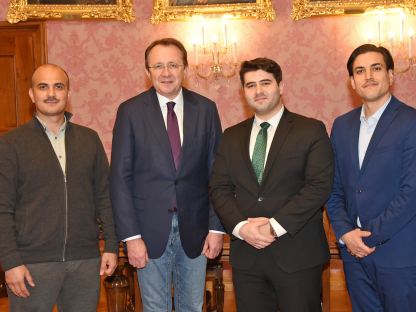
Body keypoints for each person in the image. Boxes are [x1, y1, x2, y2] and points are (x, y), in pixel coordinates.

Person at [210, 57, 334, 312]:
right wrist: (241, 227)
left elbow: (318, 186)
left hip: (297, 254)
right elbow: (219, 188)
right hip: (247, 256)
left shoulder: (310, 130)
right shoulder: (231, 136)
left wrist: (274, 227)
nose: (258, 90)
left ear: (281, 86)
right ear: (243, 92)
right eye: (250, 85)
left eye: (265, 83)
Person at [110, 37, 224, 312]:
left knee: (192, 306)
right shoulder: (130, 111)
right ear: (147, 71)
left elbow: (217, 175)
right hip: (147, 232)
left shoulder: (206, 109)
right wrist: (131, 237)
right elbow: (120, 178)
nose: (166, 72)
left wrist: (216, 228)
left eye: (173, 64)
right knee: (154, 307)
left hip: (196, 229)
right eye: (158, 66)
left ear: (185, 68)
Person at [0, 63, 118, 311]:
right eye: (43, 87)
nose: (51, 93)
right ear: (32, 94)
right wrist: (10, 262)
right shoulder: (11, 144)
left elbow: (105, 198)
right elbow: (2, 208)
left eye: (58, 86)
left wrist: (110, 245)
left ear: (68, 94)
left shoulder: (89, 139)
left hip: (85, 262)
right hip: (31, 264)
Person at [326, 44, 416, 312]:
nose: (368, 76)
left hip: (399, 254)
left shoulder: (411, 122)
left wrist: (367, 237)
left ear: (391, 75)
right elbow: (334, 188)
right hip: (353, 256)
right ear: (352, 82)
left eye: (376, 68)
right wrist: (344, 233)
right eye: (360, 71)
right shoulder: (341, 125)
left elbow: (411, 191)